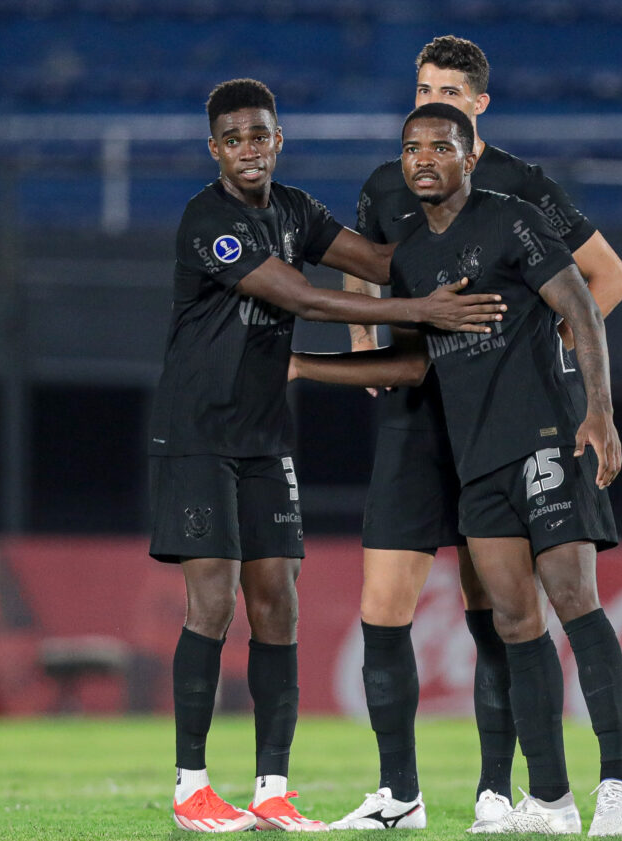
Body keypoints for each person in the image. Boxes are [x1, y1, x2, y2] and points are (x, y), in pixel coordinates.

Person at [148, 78, 505, 834]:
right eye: (235, 137)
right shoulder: (208, 221)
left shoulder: (296, 210)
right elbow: (302, 298)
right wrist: (421, 312)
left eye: (261, 134)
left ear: (280, 140)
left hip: (264, 436)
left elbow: (379, 261)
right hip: (198, 435)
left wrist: (468, 223)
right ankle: (191, 787)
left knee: (277, 603)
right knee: (212, 605)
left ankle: (272, 788)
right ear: (215, 148)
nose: (250, 148)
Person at [294, 103, 622, 837]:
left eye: (440, 147)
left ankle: (619, 781)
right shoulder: (412, 257)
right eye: (412, 148)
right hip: (477, 459)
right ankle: (550, 799)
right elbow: (416, 360)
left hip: (546, 436)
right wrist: (304, 363)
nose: (424, 159)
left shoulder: (511, 218)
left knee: (574, 598)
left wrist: (599, 411)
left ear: (468, 157)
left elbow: (581, 302)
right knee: (516, 621)